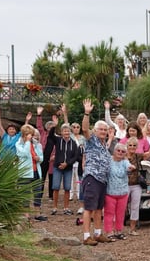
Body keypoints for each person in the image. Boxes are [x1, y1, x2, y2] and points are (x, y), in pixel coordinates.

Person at [80, 99, 112, 246]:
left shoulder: (104, 145)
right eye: (101, 129)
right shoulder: (91, 140)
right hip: (92, 177)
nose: (104, 132)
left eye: (105, 130)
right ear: (96, 130)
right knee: (89, 207)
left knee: (99, 208)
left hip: (102, 180)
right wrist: (87, 113)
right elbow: (85, 129)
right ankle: (86, 236)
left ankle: (98, 233)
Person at [14, 125, 46, 222]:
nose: (31, 136)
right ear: (24, 134)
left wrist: (38, 158)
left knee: (37, 193)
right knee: (26, 194)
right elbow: (24, 153)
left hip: (36, 171)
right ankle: (26, 214)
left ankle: (37, 213)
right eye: (28, 134)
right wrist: (27, 142)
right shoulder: (19, 144)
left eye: (31, 134)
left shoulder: (37, 144)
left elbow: (41, 157)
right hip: (25, 173)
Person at [49, 123, 81, 215]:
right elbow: (51, 135)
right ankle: (54, 208)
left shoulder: (73, 143)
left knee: (67, 188)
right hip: (57, 167)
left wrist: (67, 163)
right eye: (64, 131)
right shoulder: (58, 140)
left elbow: (75, 156)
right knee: (56, 187)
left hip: (68, 168)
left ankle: (66, 208)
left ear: (70, 132)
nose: (66, 132)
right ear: (61, 132)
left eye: (68, 131)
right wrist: (54, 126)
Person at [103, 142, 131, 241]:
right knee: (109, 213)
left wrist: (130, 168)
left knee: (121, 213)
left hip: (123, 192)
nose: (120, 152)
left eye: (123, 151)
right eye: (118, 150)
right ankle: (109, 232)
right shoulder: (108, 160)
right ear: (114, 151)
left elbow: (129, 168)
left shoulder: (125, 162)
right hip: (110, 192)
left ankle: (119, 230)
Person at [125, 137, 145, 237]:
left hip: (136, 184)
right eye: (130, 145)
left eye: (134, 145)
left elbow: (148, 155)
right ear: (127, 146)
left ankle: (132, 228)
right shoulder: (122, 155)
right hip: (124, 184)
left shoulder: (138, 156)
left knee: (135, 207)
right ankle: (117, 228)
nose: (132, 147)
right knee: (122, 206)